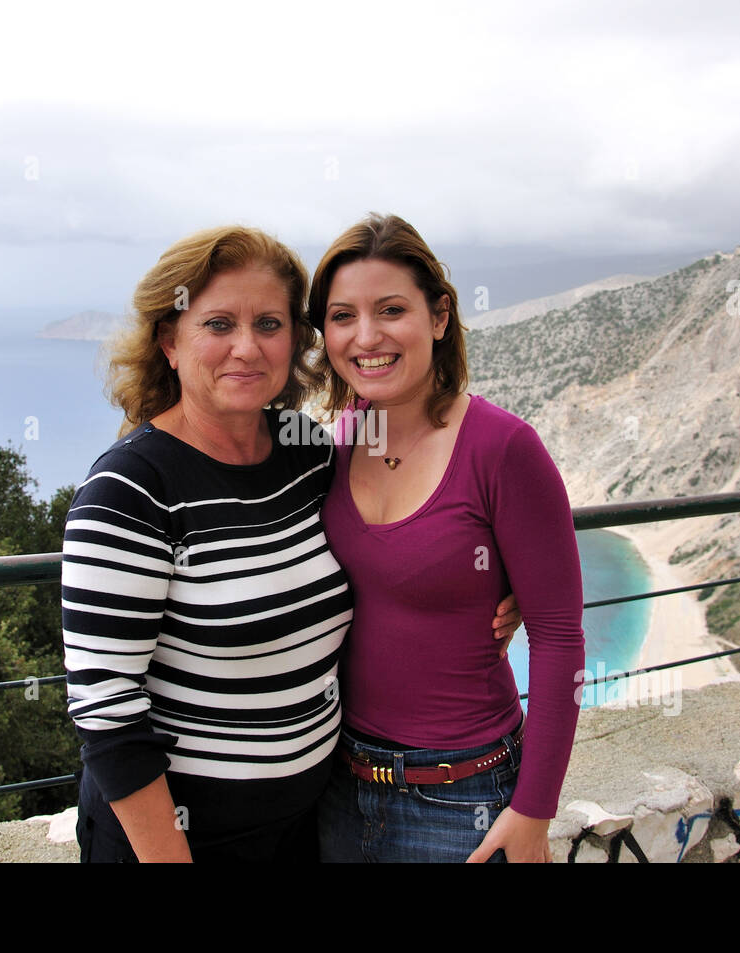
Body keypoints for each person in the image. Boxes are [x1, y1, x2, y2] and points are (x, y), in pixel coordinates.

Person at [61, 224, 520, 862]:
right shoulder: (129, 490)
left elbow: (402, 527)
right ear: (170, 340)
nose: (246, 348)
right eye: (218, 324)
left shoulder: (303, 451)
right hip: (182, 840)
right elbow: (107, 711)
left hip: (311, 824)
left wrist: (499, 579)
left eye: (270, 324)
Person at [310, 213, 586, 863]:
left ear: (438, 316)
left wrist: (533, 811)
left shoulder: (503, 448)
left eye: (391, 309)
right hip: (338, 787)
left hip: (464, 799)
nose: (366, 335)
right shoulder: (338, 442)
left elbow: (559, 635)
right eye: (342, 315)